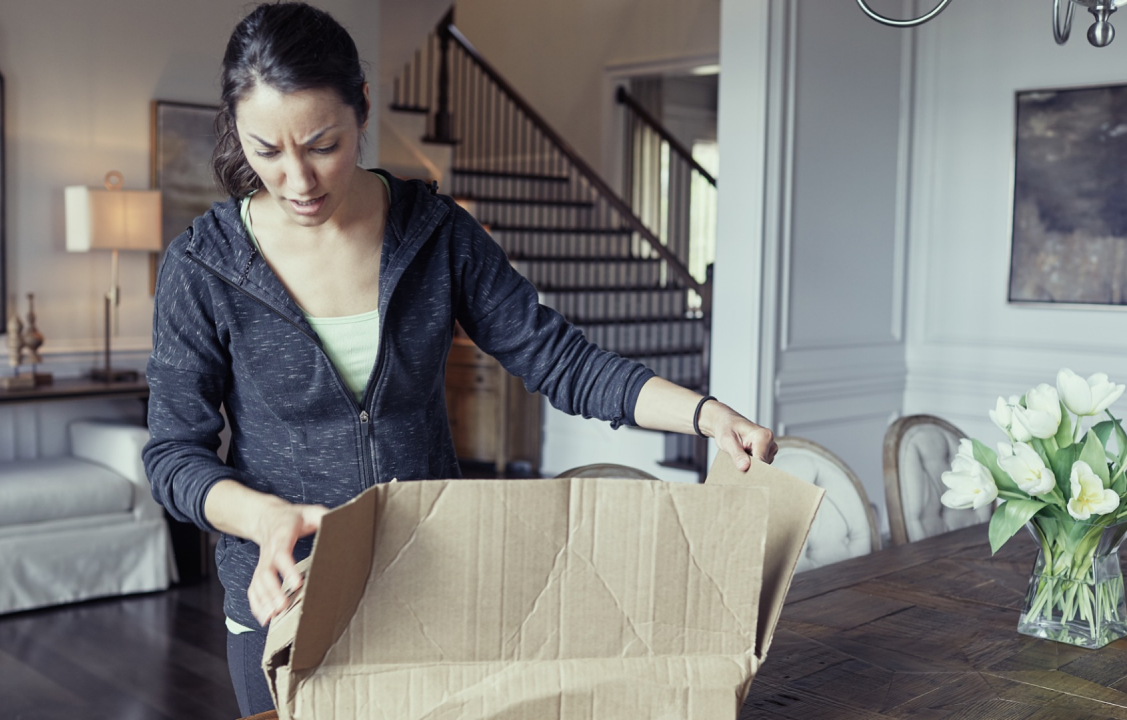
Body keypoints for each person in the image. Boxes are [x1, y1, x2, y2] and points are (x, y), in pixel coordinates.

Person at [142, 3, 777, 716]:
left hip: (435, 588)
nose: (298, 180)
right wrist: (263, 519)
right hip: (285, 598)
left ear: (363, 112)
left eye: (323, 144)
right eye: (266, 150)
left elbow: (557, 357)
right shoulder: (204, 267)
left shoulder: (436, 234)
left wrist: (703, 412)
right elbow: (173, 455)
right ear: (237, 130)